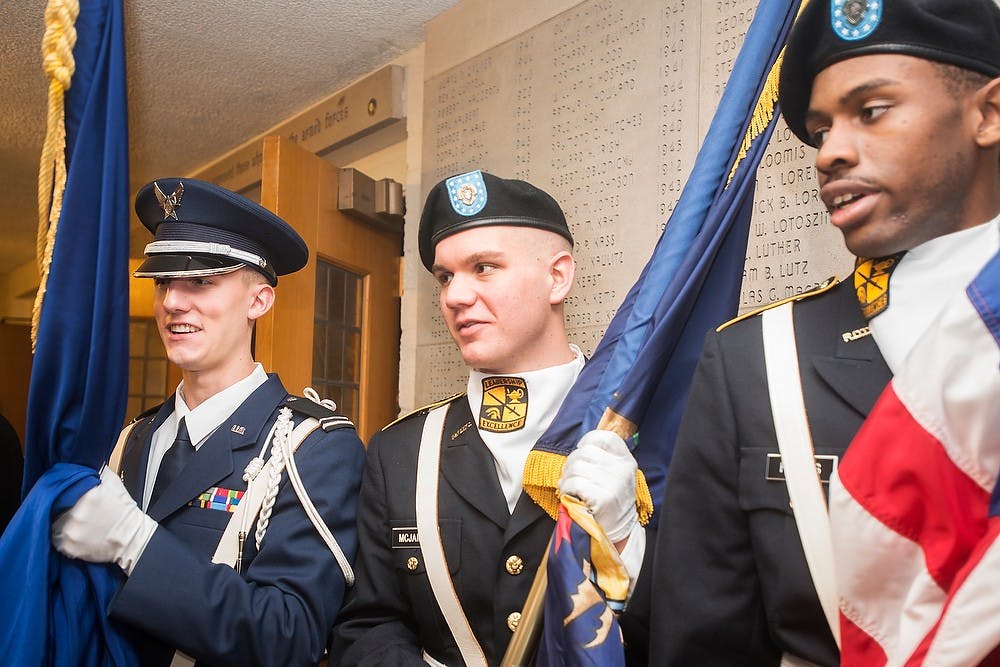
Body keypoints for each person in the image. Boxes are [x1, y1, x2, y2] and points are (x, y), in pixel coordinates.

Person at [648, 0, 1000, 664]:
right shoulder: (754, 361)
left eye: (871, 110)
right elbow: (704, 642)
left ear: (989, 113)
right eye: (819, 130)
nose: (829, 151)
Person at [331, 170, 646, 666]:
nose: (454, 296)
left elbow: (706, 624)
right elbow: (369, 624)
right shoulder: (400, 451)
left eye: (483, 267)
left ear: (557, 276)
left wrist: (626, 540)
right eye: (445, 276)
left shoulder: (641, 434)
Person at [51, 178, 367, 666]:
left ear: (258, 301)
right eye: (163, 281)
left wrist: (137, 542)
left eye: (200, 281)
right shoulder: (134, 438)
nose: (173, 302)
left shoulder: (309, 447)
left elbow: (288, 637)